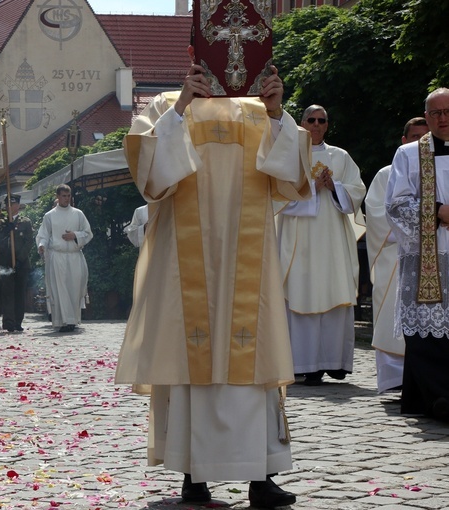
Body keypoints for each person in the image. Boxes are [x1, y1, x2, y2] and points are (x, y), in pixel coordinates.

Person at [114, 36, 311, 505]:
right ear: (196, 52)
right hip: (187, 266)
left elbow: (290, 181)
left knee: (254, 355)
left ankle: (260, 476)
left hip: (249, 257)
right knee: (191, 360)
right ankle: (194, 475)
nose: (230, 57)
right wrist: (181, 106)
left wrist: (279, 112)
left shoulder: (260, 107)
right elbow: (149, 176)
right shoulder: (167, 102)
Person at [276, 105, 366, 386]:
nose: (316, 124)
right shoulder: (289, 155)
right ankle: (307, 365)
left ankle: (335, 362)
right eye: (311, 119)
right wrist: (312, 186)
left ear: (327, 125)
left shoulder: (340, 156)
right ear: (302, 123)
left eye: (321, 120)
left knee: (334, 293)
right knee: (301, 294)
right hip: (299, 240)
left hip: (332, 241)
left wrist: (334, 186)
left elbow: (357, 191)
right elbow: (278, 197)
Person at [385, 87, 449, 420]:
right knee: (426, 331)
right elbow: (395, 204)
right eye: (435, 113)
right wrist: (438, 211)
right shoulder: (409, 154)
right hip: (429, 256)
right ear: (426, 117)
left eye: (448, 111)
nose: (443, 118)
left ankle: (425, 397)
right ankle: (438, 395)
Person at [366, 117, 429, 393]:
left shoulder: (440, 169)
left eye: (424, 139)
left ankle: (429, 377)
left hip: (434, 256)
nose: (419, 144)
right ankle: (394, 379)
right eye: (414, 137)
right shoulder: (385, 173)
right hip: (396, 255)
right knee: (392, 313)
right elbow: (379, 215)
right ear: (403, 141)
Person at [36, 184, 92, 332]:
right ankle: (62, 321)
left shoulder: (78, 214)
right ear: (58, 197)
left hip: (74, 255)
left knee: (74, 287)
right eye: (63, 196)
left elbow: (88, 233)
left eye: (68, 196)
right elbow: (44, 235)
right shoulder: (49, 216)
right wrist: (41, 245)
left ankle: (72, 320)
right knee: (60, 288)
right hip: (57, 256)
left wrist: (75, 235)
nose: (66, 199)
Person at [0, 194, 34, 332]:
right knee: (7, 293)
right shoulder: (1, 222)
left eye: (12, 204)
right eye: (7, 205)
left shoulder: (25, 222)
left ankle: (18, 321)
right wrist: (6, 231)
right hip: (6, 263)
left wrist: (20, 259)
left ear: (18, 205)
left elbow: (29, 242)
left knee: (19, 293)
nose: (9, 207)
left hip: (21, 263)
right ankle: (8, 322)